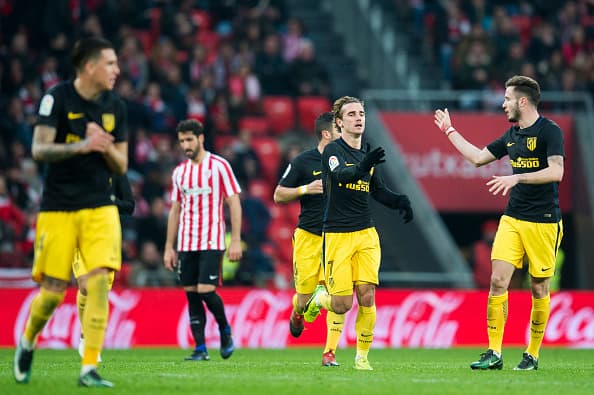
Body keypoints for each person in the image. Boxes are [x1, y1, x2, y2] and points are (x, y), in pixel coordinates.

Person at [13, 37, 127, 388]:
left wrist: (104, 146)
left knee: (97, 284)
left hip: (100, 206)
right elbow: (39, 149)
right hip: (59, 207)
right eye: (109, 63)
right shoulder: (56, 98)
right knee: (52, 292)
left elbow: (121, 164)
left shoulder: (115, 106)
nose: (116, 70)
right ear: (89, 66)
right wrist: (82, 145)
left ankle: (88, 366)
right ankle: (28, 341)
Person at [433, 75, 564, 371]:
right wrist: (449, 130)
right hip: (513, 218)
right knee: (497, 282)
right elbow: (478, 158)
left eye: (506, 99)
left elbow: (556, 172)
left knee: (540, 288)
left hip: (544, 221)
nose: (502, 103)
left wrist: (517, 176)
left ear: (523, 101)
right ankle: (494, 352)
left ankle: (531, 354)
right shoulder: (511, 136)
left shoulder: (550, 131)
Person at [303, 96, 413, 370]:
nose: (358, 117)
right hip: (337, 235)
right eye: (351, 114)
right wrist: (364, 167)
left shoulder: (368, 154)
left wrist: (400, 200)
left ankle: (362, 357)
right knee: (342, 304)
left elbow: (377, 189)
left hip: (365, 233)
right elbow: (341, 176)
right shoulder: (332, 151)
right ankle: (319, 298)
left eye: (361, 113)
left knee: (367, 295)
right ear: (339, 123)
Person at [163, 119, 242, 362]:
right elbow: (175, 210)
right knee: (191, 293)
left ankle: (224, 329)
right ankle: (200, 348)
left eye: (189, 140)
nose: (185, 145)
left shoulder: (219, 166)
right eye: (182, 141)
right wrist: (169, 247)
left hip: (212, 240)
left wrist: (236, 239)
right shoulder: (180, 172)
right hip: (186, 243)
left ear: (200, 138)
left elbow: (234, 202)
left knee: (207, 291)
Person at [273, 111, 343, 367]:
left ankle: (329, 353)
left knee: (339, 294)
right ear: (327, 134)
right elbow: (278, 195)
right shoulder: (304, 161)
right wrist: (306, 188)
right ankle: (299, 310)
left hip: (336, 238)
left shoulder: (346, 161)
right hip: (308, 238)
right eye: (338, 129)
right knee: (304, 296)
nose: (343, 132)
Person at [74, 173, 135, 362]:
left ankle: (91, 341)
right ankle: (87, 336)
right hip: (81, 234)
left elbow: (129, 206)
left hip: (107, 236)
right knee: (85, 286)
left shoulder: (116, 173)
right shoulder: (78, 167)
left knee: (99, 291)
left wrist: (108, 202)